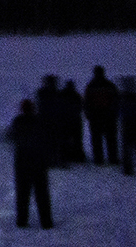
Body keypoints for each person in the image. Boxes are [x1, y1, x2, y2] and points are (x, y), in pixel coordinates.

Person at [9, 99, 54, 229]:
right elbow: (47, 140)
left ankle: (22, 221)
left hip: (22, 164)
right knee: (42, 194)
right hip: (38, 163)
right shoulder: (40, 122)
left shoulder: (18, 122)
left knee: (23, 194)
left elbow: (13, 136)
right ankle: (46, 222)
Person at [83, 66, 119, 165]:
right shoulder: (108, 85)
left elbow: (86, 102)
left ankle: (101, 159)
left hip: (101, 116)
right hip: (102, 116)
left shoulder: (92, 85)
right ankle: (109, 158)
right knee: (106, 139)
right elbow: (86, 102)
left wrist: (89, 114)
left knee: (101, 139)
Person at [59, 80, 86, 164]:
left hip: (67, 121)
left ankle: (68, 155)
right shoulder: (76, 95)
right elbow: (82, 106)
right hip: (75, 120)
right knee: (76, 139)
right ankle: (77, 156)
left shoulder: (62, 95)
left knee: (67, 139)